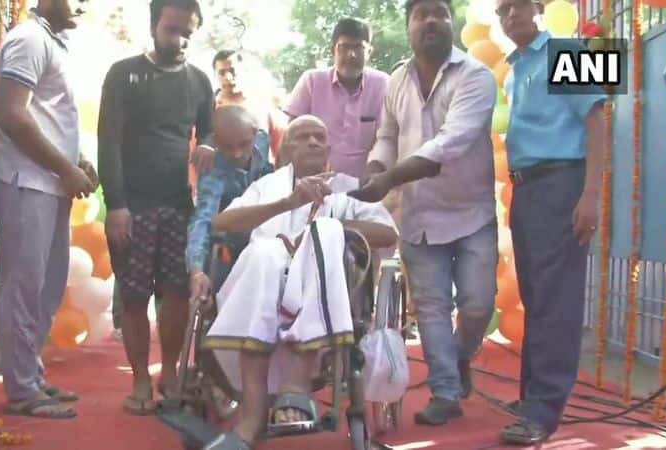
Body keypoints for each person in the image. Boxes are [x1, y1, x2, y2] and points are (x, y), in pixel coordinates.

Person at [199, 116, 397, 449]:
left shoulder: (348, 187)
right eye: (302, 136)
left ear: (329, 148)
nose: (312, 142)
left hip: (326, 283)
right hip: (264, 277)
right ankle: (251, 417)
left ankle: (296, 384)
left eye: (319, 136)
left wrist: (330, 223)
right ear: (287, 148)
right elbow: (223, 221)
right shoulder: (268, 185)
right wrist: (288, 203)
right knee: (264, 252)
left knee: (326, 232)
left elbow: (387, 232)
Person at [349, 0, 499, 426]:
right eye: (420, 14)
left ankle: (460, 355)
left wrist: (389, 178)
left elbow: (450, 144)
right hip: (419, 215)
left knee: (477, 306)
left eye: (440, 12)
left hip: (472, 213)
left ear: (453, 23)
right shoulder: (397, 79)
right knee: (431, 309)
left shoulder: (476, 76)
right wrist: (377, 167)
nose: (430, 20)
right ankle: (446, 392)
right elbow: (387, 135)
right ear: (409, 26)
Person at [493, 0, 606, 444]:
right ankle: (532, 399)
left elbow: (598, 119)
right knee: (537, 299)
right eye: (501, 11)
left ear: (539, 7)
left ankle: (542, 414)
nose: (509, 16)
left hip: (563, 181)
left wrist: (592, 195)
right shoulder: (515, 67)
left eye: (518, 6)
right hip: (526, 187)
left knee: (557, 301)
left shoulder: (570, 49)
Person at [97, 0, 213, 415]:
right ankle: (141, 380)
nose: (180, 39)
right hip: (132, 205)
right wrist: (116, 205)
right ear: (153, 26)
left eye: (188, 32)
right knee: (133, 296)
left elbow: (211, 129)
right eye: (172, 30)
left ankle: (170, 372)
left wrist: (210, 145)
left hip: (179, 205)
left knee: (177, 293)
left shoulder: (199, 81)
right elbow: (108, 142)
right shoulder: (123, 73)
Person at [0, 0, 97, 419]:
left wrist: (78, 162)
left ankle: (30, 375)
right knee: (24, 285)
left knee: (47, 287)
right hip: (24, 181)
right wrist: (64, 168)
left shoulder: (55, 44)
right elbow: (13, 116)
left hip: (49, 183)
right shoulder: (28, 39)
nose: (85, 7)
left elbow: (51, 117)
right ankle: (21, 391)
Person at [185, 105, 274, 304]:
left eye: (243, 144)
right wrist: (196, 271)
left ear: (254, 134)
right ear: (216, 142)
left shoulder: (263, 140)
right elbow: (202, 220)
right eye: (227, 146)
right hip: (231, 240)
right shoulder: (213, 171)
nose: (236, 153)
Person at [283, 17, 390, 179]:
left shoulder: (383, 84)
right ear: (333, 49)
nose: (351, 55)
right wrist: (285, 184)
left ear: (369, 52)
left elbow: (387, 138)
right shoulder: (311, 81)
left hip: (364, 187)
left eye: (359, 48)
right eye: (344, 47)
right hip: (314, 184)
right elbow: (290, 136)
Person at [211, 50, 285, 164]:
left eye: (232, 71)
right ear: (215, 76)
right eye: (222, 73)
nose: (228, 77)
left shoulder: (263, 107)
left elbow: (281, 149)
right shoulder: (209, 111)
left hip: (262, 179)